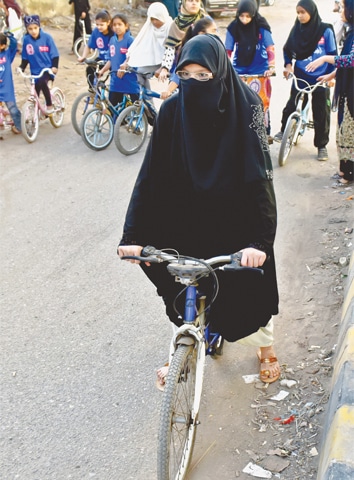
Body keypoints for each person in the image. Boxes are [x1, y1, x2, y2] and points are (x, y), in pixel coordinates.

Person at [118, 34, 280, 387]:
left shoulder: (248, 106)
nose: (193, 83)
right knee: (179, 280)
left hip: (236, 218)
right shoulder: (172, 110)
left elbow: (260, 177)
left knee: (250, 286)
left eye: (203, 76)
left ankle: (266, 349)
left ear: (219, 73)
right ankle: (184, 346)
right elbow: (150, 176)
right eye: (185, 75)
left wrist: (261, 241)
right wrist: (132, 236)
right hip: (186, 214)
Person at [273, 0, 337, 162]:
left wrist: (330, 77)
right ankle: (283, 130)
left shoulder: (325, 30)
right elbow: (287, 49)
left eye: (303, 12)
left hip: (321, 77)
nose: (300, 16)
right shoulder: (297, 29)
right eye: (298, 13)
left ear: (311, 12)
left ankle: (321, 145)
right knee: (291, 104)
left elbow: (333, 54)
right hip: (301, 74)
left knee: (321, 110)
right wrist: (288, 66)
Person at [306, 0, 353, 184]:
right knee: (343, 128)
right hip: (347, 88)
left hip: (352, 91)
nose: (341, 11)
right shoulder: (350, 31)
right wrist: (333, 74)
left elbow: (351, 60)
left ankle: (348, 173)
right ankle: (345, 171)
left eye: (344, 8)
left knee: (349, 130)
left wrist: (326, 58)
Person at [225, 0, 275, 141]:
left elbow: (270, 47)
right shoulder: (233, 27)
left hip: (260, 69)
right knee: (236, 101)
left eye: (248, 16)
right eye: (241, 16)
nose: (245, 20)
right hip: (239, 69)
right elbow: (227, 51)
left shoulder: (261, 26)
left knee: (261, 102)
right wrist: (226, 68)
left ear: (253, 14)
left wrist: (271, 67)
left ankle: (265, 131)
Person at [160, 16, 218, 99]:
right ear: (201, 33)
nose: (217, 34)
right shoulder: (191, 51)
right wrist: (168, 90)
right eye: (213, 30)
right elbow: (179, 74)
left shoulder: (216, 50)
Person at [119, 3, 172, 89]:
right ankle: (147, 100)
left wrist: (164, 67)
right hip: (155, 61)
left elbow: (171, 49)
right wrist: (126, 62)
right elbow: (138, 45)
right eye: (152, 19)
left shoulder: (170, 27)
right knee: (140, 72)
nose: (154, 22)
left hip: (170, 61)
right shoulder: (150, 27)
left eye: (157, 19)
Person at [19, 15, 59, 115]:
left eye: (35, 28)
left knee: (42, 82)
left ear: (39, 27)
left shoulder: (47, 38)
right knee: (35, 90)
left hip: (47, 70)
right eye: (30, 29)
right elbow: (25, 56)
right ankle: (36, 111)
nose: (33, 31)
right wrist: (21, 67)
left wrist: (54, 66)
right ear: (27, 29)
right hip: (35, 72)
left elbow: (55, 54)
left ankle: (49, 104)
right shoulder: (27, 39)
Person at [158, 0, 206, 82]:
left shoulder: (205, 22)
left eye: (197, 1)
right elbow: (170, 48)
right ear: (183, 3)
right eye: (190, 1)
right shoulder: (176, 24)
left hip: (203, 67)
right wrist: (165, 68)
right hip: (180, 67)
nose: (194, 3)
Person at [98, 14, 140, 106]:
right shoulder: (112, 40)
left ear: (126, 26)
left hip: (130, 81)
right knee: (113, 109)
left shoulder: (130, 40)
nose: (117, 27)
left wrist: (125, 65)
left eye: (120, 24)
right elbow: (110, 60)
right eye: (114, 25)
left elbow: (134, 57)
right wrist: (102, 71)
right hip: (115, 82)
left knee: (137, 108)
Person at [78, 10, 113, 90]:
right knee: (90, 70)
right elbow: (89, 46)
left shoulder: (114, 34)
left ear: (108, 23)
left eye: (101, 25)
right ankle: (94, 93)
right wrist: (83, 57)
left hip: (113, 60)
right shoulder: (96, 32)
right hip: (102, 59)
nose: (99, 27)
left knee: (115, 77)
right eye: (97, 24)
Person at [0, 31, 21, 133]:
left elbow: (13, 45)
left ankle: (19, 126)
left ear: (3, 46)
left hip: (6, 88)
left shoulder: (7, 55)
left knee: (13, 109)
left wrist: (9, 36)